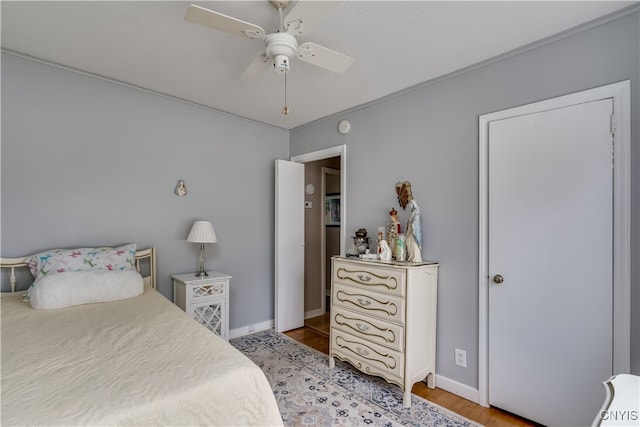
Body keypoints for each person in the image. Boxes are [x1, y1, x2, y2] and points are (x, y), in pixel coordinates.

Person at [396, 180, 422, 262]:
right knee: (408, 242)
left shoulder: (416, 213)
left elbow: (416, 224)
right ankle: (411, 257)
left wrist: (412, 225)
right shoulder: (412, 213)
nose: (409, 205)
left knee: (413, 244)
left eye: (411, 204)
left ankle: (415, 258)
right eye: (409, 204)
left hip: (413, 232)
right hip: (409, 231)